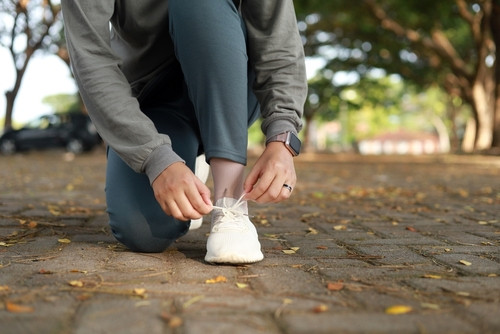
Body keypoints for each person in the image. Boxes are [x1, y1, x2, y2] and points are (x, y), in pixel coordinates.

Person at [61, 0, 307, 264]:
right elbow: (92, 59)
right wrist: (156, 159)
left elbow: (277, 40)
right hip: (153, 103)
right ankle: (184, 158)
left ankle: (230, 203)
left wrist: (283, 137)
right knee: (144, 232)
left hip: (231, 82)